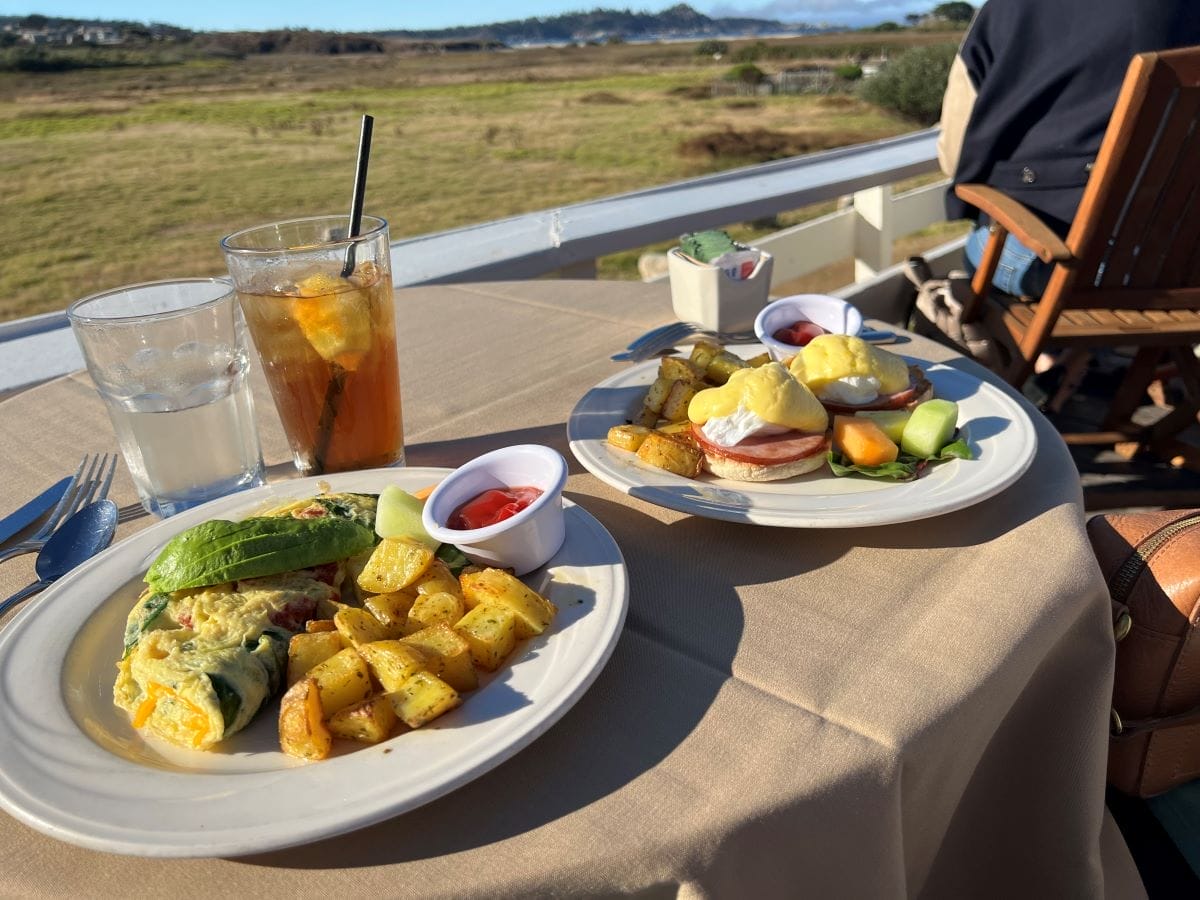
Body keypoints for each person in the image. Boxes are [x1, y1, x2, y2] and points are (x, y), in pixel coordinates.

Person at [937, 0, 1200, 299]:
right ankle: (1102, 347)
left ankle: (1060, 346)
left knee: (983, 255)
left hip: (1054, 260)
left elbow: (954, 157)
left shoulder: (1005, 9)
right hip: (1177, 263)